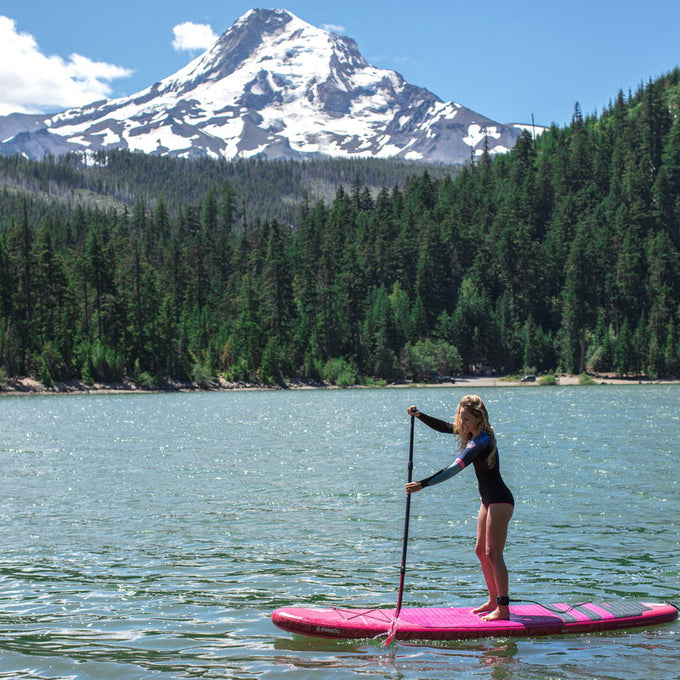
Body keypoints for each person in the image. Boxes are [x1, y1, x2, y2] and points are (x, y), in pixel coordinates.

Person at [405, 395, 514, 621]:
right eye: (460, 418)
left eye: (466, 419)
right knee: (480, 552)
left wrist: (423, 484)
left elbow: (454, 469)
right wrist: (420, 415)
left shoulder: (482, 440)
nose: (461, 424)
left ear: (478, 418)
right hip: (487, 501)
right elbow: (446, 427)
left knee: (494, 553)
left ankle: (503, 609)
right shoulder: (472, 432)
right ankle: (493, 600)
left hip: (500, 501)